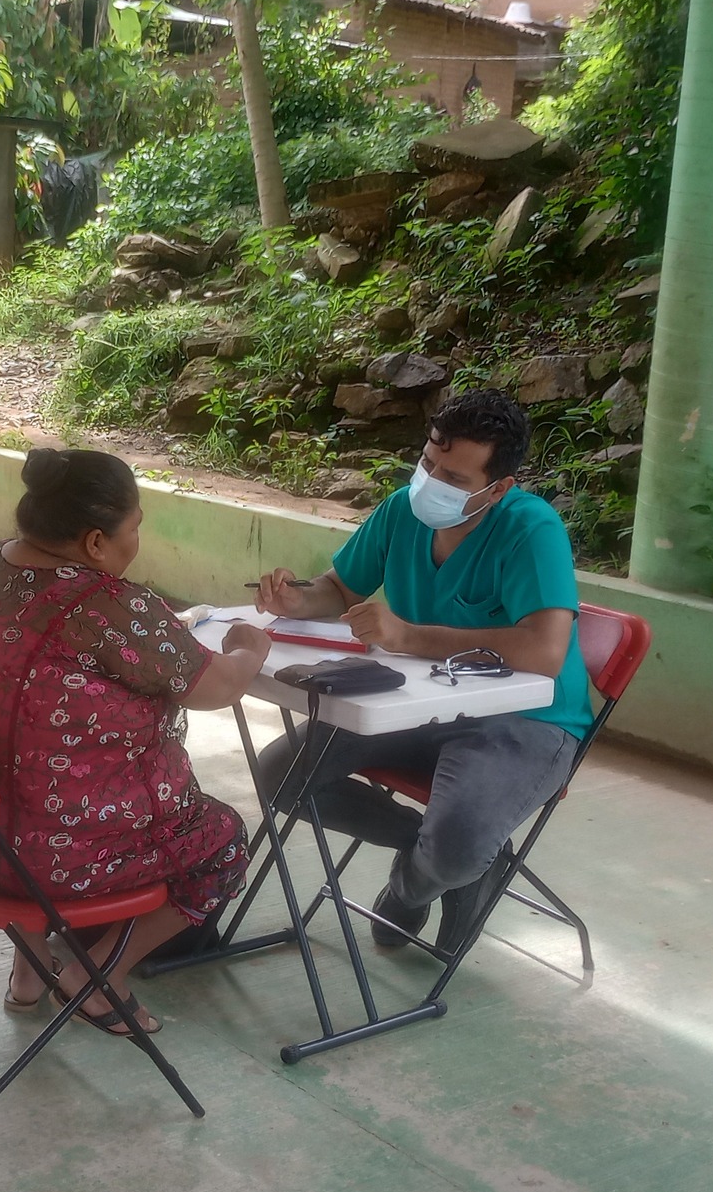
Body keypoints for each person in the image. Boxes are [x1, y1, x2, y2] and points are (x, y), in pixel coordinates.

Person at [0, 448, 272, 1036]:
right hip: (37, 862)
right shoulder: (108, 605)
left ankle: (30, 972)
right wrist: (251, 648)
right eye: (135, 528)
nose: (137, 542)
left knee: (10, 777)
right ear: (96, 542)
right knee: (222, 840)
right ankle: (98, 978)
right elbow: (220, 687)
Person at [253, 388, 590, 956]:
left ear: (499, 487)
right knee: (280, 774)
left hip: (526, 719)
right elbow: (339, 588)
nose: (431, 483)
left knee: (456, 847)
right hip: (415, 702)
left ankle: (419, 882)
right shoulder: (401, 511)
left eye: (454, 478)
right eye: (428, 463)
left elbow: (544, 652)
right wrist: (298, 598)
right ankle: (442, 856)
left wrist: (408, 637)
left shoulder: (531, 529)